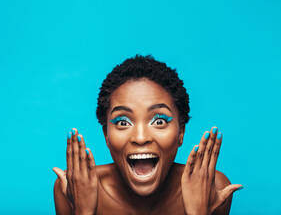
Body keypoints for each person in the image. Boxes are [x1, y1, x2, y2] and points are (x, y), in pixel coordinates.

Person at [53, 55, 242, 215]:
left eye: (159, 121)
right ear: (106, 135)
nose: (141, 137)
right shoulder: (74, 188)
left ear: (181, 132)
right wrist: (83, 211)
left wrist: (197, 211)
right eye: (122, 122)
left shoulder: (211, 187)